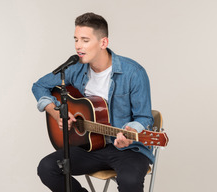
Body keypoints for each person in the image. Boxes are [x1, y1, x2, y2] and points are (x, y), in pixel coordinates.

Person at [32, 12, 154, 192]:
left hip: (128, 150)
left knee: (129, 181)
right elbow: (39, 86)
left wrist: (130, 133)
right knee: (47, 168)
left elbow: (144, 118)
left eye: (85, 40)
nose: (78, 46)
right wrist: (56, 112)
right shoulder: (75, 69)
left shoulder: (134, 73)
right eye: (75, 40)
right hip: (91, 147)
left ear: (103, 43)